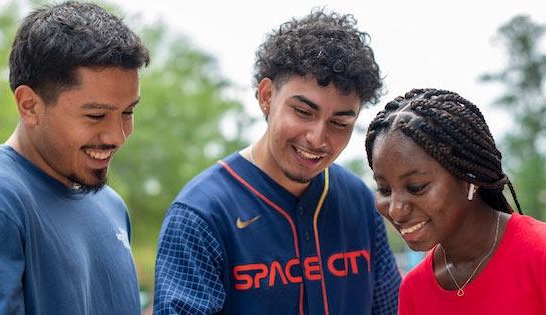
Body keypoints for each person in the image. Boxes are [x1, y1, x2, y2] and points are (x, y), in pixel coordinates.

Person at [154, 9, 402, 315]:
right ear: (267, 96)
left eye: (339, 123)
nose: (317, 138)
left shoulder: (360, 201)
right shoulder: (201, 214)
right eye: (303, 112)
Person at [0, 2, 150, 314]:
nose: (117, 135)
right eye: (96, 115)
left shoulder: (111, 204)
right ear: (30, 105)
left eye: (128, 112)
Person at [365, 88, 546, 314]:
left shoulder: (539, 255)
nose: (397, 211)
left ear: (468, 176)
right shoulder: (414, 289)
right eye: (384, 189)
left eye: (416, 187)